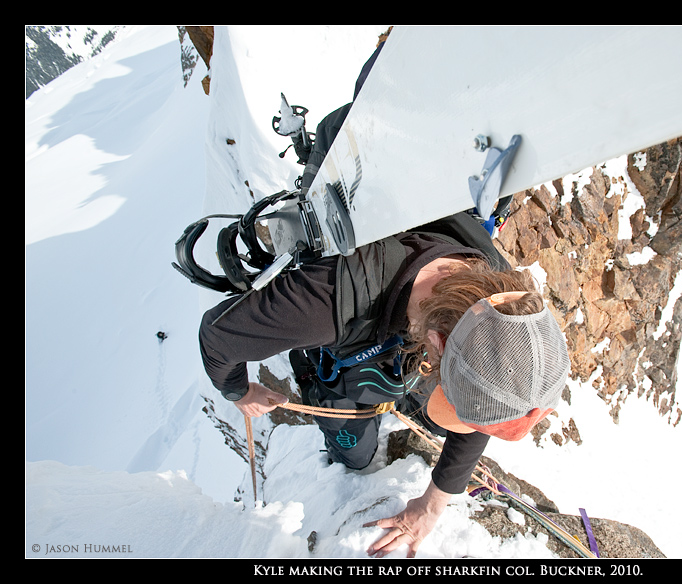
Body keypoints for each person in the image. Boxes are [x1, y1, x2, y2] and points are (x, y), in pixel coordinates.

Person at [197, 36, 571, 558]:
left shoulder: (496, 291)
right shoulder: (323, 304)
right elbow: (217, 336)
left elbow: (491, 385)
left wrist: (433, 505)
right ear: (436, 344)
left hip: (396, 327)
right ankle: (355, 463)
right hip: (343, 358)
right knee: (354, 443)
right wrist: (238, 389)